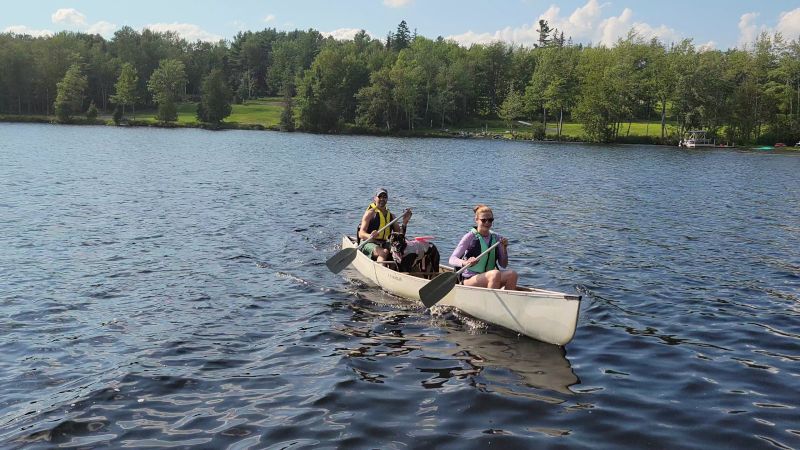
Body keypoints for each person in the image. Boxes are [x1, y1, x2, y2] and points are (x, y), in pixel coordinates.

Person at [449, 204, 518, 290]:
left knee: (512, 274)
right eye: (483, 220)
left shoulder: (497, 238)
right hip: (469, 279)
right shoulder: (469, 237)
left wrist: (504, 249)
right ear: (476, 220)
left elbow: (503, 265)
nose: (487, 223)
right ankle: (490, 301)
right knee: (495, 274)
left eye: (490, 220)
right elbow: (452, 259)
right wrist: (465, 262)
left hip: (491, 277)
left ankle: (507, 299)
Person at [358, 188, 412, 262]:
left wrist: (405, 222)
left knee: (402, 249)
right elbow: (361, 234)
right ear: (375, 198)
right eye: (380, 196)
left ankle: (395, 270)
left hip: (384, 243)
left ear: (387, 199)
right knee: (384, 252)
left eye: (385, 197)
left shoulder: (392, 216)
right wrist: (370, 236)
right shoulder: (370, 213)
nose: (382, 199)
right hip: (368, 243)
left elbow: (400, 236)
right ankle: (381, 271)